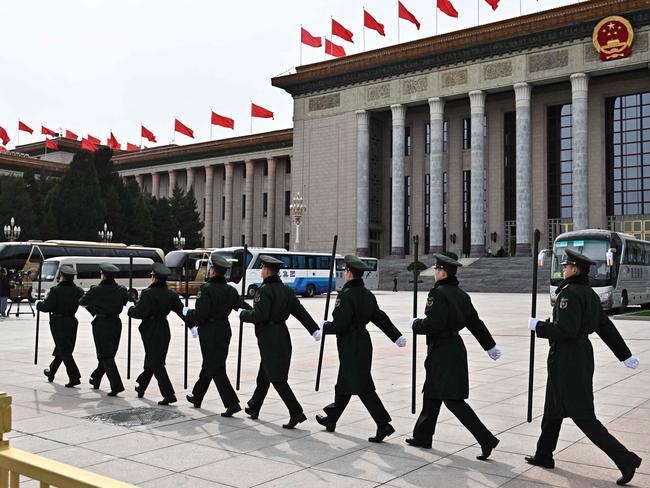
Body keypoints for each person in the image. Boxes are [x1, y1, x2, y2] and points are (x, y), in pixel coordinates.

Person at [527, 249, 642, 486]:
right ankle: (543, 455)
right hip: (577, 357)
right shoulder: (588, 293)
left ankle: (626, 459)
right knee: (552, 411)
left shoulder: (569, 294)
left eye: (567, 266)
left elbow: (565, 331)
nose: (564, 269)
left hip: (567, 361)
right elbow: (605, 326)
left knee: (584, 417)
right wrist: (624, 355)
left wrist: (539, 327)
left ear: (576, 269)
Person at [406, 254, 502, 460]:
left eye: (436, 271)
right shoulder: (461, 295)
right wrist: (490, 346)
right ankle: (423, 436)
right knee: (431, 394)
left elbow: (434, 323)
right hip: (454, 348)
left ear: (442, 272)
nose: (434, 274)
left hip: (442, 351)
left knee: (453, 400)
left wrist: (417, 325)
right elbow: (475, 323)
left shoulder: (438, 294)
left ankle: (486, 439)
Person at [317, 255, 407, 443]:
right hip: (363, 342)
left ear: (349, 273)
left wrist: (326, 327)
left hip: (350, 344)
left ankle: (383, 424)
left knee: (363, 387)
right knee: (343, 384)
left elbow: (341, 324)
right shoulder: (367, 295)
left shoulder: (345, 295)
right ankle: (332, 419)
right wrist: (396, 336)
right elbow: (379, 317)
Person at [237, 254, 320, 429]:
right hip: (282, 333)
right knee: (265, 374)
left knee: (277, 378)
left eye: (262, 268)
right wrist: (313, 329)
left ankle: (296, 412)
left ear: (267, 270)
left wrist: (243, 315)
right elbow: (300, 312)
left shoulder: (264, 291)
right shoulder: (287, 290)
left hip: (269, 337)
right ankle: (254, 405)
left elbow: (260, 315)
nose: (261, 271)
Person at [186, 254, 251, 416]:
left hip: (209, 330)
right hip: (224, 329)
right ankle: (197, 395)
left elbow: (202, 314)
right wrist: (256, 312)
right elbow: (241, 306)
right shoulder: (230, 290)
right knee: (211, 363)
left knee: (215, 366)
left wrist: (189, 314)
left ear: (213, 271)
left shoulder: (206, 289)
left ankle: (232, 403)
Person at [127, 263, 186, 406]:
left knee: (156, 363)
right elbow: (182, 312)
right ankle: (141, 386)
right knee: (152, 360)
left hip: (150, 329)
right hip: (164, 329)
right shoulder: (171, 294)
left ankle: (169, 394)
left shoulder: (147, 293)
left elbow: (140, 313)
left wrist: (130, 308)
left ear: (154, 278)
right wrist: (193, 324)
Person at [79, 263, 130, 396]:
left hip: (101, 323)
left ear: (103, 275)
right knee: (108, 354)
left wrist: (94, 310)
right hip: (116, 323)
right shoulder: (121, 289)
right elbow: (130, 302)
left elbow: (82, 302)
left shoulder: (96, 290)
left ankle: (116, 385)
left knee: (105, 355)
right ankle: (96, 378)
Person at [37, 265, 84, 387]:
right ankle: (51, 372)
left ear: (61, 276)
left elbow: (47, 307)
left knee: (64, 350)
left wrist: (38, 304)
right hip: (72, 321)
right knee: (63, 348)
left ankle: (74, 377)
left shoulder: (55, 290)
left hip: (58, 322)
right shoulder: (78, 291)